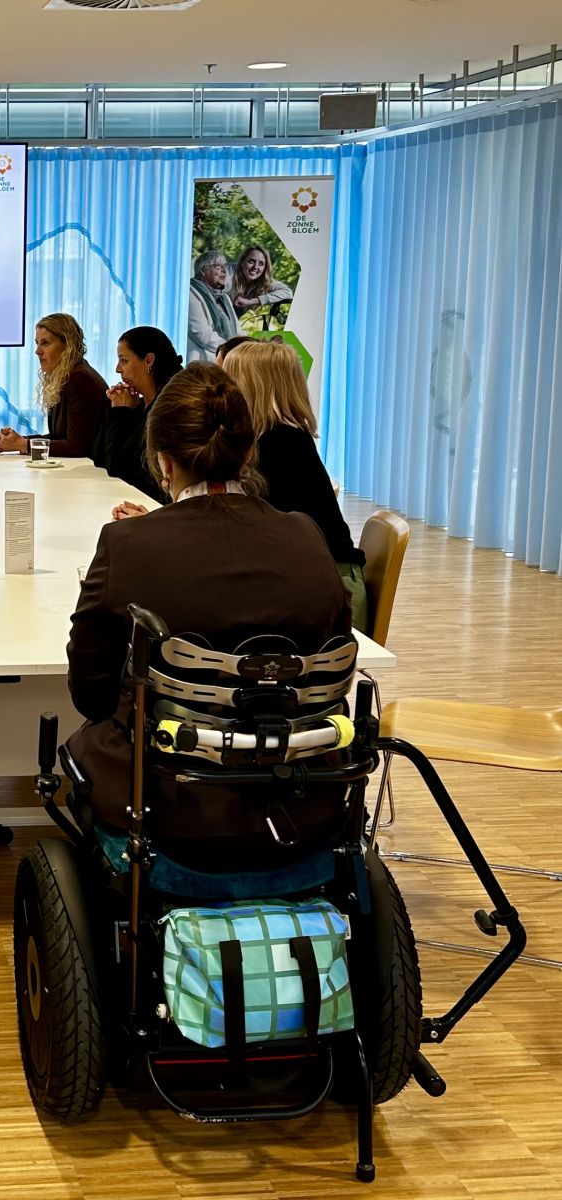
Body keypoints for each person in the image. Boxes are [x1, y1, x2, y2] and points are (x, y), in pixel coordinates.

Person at [66, 361, 353, 868]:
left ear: (163, 463)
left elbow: (89, 694)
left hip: (169, 807)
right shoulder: (307, 536)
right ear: (248, 454)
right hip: (304, 804)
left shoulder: (128, 545)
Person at [222, 340, 369, 630]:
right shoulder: (281, 439)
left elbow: (240, 521)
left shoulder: (281, 445)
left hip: (330, 592)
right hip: (314, 581)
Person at [0, 313, 109, 458]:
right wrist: (16, 441)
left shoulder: (80, 379)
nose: (37, 351)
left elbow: (77, 447)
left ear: (68, 345)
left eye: (45, 343)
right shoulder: (65, 376)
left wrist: (22, 445)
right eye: (37, 343)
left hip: (90, 475)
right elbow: (57, 437)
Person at [95, 326, 182, 505]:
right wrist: (117, 408)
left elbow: (117, 468)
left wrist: (120, 413)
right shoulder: (140, 405)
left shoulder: (169, 409)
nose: (118, 369)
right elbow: (99, 456)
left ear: (149, 360)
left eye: (124, 361)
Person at [187, 250, 241, 363]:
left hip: (227, 359)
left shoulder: (224, 297)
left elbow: (237, 330)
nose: (224, 270)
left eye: (225, 266)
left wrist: (250, 344)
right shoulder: (190, 293)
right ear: (203, 271)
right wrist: (232, 349)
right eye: (218, 266)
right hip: (203, 365)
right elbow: (202, 334)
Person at [230, 244, 294, 327]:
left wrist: (252, 301)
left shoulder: (262, 282)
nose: (255, 267)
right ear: (242, 262)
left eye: (261, 264)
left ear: (265, 268)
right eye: (251, 261)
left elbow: (287, 293)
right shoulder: (228, 274)